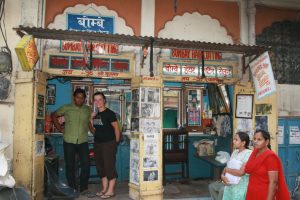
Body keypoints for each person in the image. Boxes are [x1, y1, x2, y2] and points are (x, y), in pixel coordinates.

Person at [224, 130, 290, 200]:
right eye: (254, 139)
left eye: (259, 139)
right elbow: (247, 169)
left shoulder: (270, 157)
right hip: (251, 192)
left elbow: (273, 182)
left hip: (263, 194)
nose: (255, 141)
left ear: (267, 142)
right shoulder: (254, 154)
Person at [51, 88, 93, 194]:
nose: (80, 100)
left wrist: (93, 131)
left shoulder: (87, 109)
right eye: (78, 97)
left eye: (82, 98)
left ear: (84, 99)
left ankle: (83, 188)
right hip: (69, 141)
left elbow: (88, 122)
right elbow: (53, 115)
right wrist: (60, 128)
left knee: (86, 165)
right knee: (70, 166)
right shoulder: (67, 107)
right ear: (74, 98)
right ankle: (72, 188)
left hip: (83, 141)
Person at [90, 92, 120, 199]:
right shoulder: (96, 114)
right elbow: (93, 130)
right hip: (98, 143)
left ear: (104, 101)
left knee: (109, 166)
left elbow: (116, 128)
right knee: (100, 167)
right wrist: (91, 119)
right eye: (96, 100)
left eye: (100, 99)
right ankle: (104, 189)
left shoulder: (110, 113)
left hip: (109, 143)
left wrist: (115, 143)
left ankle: (110, 191)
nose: (98, 102)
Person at [208, 132, 252, 200]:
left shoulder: (248, 154)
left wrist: (227, 170)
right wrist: (222, 176)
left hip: (240, 182)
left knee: (223, 190)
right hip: (229, 179)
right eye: (233, 139)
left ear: (243, 143)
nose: (233, 141)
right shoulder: (235, 152)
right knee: (211, 186)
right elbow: (227, 166)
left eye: (236, 140)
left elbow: (241, 173)